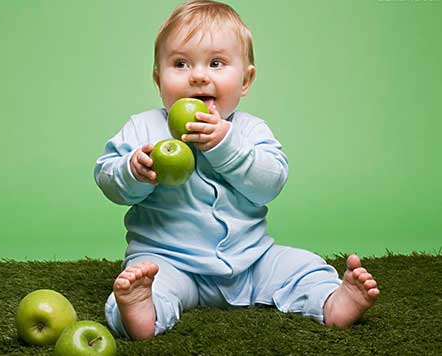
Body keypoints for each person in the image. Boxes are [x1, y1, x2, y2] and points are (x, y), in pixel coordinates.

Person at [94, 0, 379, 341]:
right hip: (169, 262)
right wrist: (133, 171)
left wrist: (224, 144)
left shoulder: (250, 131)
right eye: (180, 64)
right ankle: (141, 312)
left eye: (216, 63)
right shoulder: (143, 129)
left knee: (303, 265)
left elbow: (270, 183)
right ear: (158, 78)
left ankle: (333, 300)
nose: (198, 75)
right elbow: (107, 179)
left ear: (246, 79)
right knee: (146, 284)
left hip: (251, 261)